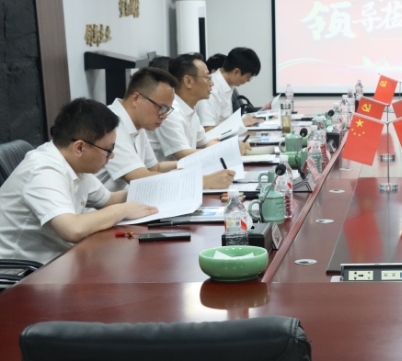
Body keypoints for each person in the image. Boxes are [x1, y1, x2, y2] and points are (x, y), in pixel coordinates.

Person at [0, 99, 158, 264]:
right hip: (22, 271)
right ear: (80, 148)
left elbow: (109, 199)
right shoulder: (43, 171)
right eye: (108, 149)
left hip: (57, 260)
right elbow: (73, 229)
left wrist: (149, 191)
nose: (112, 156)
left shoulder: (74, 164)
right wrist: (123, 210)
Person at [97, 67, 236, 191]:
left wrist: (198, 163)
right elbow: (141, 178)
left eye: (167, 110)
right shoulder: (111, 124)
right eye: (161, 108)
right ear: (136, 99)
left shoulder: (138, 124)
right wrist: (203, 181)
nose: (163, 116)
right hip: (101, 209)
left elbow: (155, 167)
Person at [148, 53, 249, 164]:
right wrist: (227, 151)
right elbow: (183, 154)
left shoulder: (190, 108)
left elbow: (205, 143)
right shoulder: (170, 111)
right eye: (207, 78)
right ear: (188, 81)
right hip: (168, 173)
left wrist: (234, 145)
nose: (212, 83)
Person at [196, 47, 261, 130]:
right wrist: (240, 123)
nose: (248, 81)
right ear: (236, 71)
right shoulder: (211, 89)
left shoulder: (228, 85)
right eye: (248, 77)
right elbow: (207, 129)